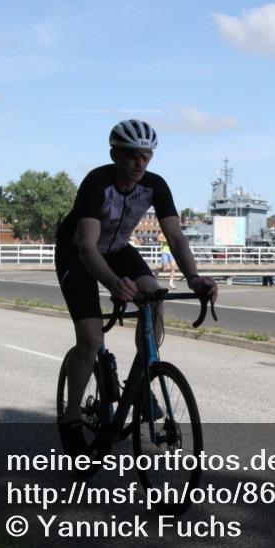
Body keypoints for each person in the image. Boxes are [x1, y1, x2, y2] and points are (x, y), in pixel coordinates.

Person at [54, 119, 217, 435]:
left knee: (154, 295)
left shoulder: (155, 185)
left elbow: (176, 237)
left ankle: (141, 385)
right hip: (78, 253)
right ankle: (72, 417)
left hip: (117, 249)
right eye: (132, 156)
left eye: (147, 156)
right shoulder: (96, 182)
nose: (140, 163)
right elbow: (87, 247)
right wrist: (114, 284)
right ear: (115, 154)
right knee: (90, 339)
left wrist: (195, 279)